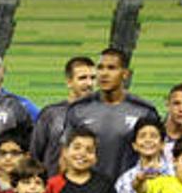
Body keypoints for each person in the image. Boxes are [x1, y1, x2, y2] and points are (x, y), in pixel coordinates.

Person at [64, 47, 160, 179]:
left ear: (125, 74)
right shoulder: (79, 109)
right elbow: (65, 155)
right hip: (89, 191)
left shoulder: (144, 111)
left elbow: (155, 156)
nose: (104, 74)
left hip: (129, 190)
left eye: (111, 68)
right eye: (100, 68)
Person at [30, 56, 96, 175]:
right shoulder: (51, 114)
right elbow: (35, 156)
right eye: (82, 78)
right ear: (69, 82)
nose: (89, 83)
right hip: (54, 187)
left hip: (92, 189)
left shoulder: (103, 114)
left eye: (93, 78)